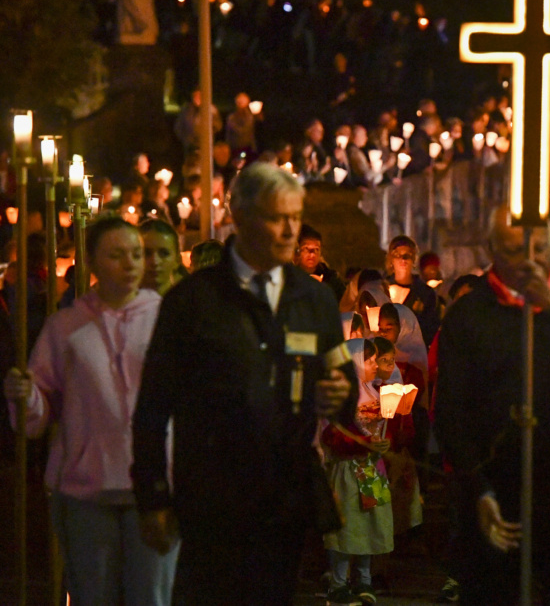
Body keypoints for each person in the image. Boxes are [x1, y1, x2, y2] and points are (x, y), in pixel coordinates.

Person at [131, 163, 357, 603]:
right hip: (211, 498)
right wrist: (153, 495)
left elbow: (342, 375)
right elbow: (153, 407)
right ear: (241, 215)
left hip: (283, 500)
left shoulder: (313, 298)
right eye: (278, 217)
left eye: (296, 216)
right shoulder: (193, 300)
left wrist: (340, 394)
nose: (292, 229)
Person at [434, 207, 550, 605]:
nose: (529, 260)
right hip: (499, 483)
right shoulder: (469, 313)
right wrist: (477, 488)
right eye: (515, 250)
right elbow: (451, 410)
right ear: (493, 249)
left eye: (538, 248)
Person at [4, 217, 179, 604]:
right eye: (116, 255)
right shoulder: (65, 326)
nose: (131, 263)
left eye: (136, 254)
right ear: (93, 262)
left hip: (153, 487)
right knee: (91, 596)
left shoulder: (170, 319)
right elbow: (41, 406)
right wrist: (26, 394)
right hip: (85, 490)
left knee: (152, 596)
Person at [320, 338, 393, 606]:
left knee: (370, 525)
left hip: (372, 470)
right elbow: (332, 434)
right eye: (369, 359)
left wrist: (384, 442)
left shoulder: (375, 393)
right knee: (346, 526)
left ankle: (364, 580)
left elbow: (383, 430)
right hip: (347, 470)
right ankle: (338, 583)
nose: (375, 364)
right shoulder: (341, 395)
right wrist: (363, 443)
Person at [385, 235, 441, 345]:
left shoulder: (426, 294)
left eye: (408, 255)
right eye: (397, 254)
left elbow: (431, 327)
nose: (403, 259)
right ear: (391, 259)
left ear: (414, 259)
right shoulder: (382, 289)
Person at [139, 218, 183, 296]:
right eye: (146, 253)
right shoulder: (119, 304)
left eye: (164, 254)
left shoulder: (189, 304)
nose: (155, 261)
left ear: (177, 260)